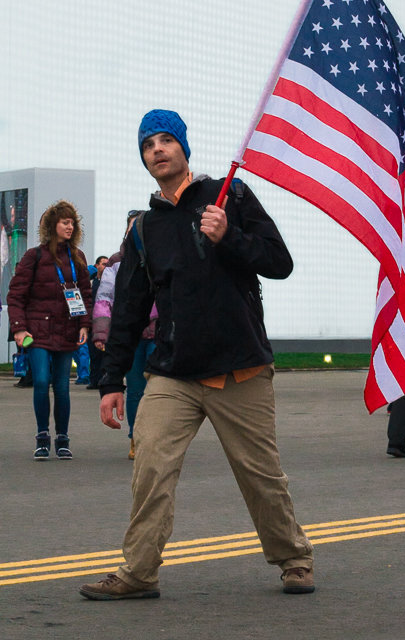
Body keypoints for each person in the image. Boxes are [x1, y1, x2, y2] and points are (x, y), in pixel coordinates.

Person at [79, 109, 314, 601]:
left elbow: (280, 262)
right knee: (150, 468)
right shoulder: (144, 228)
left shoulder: (232, 196)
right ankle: (139, 574)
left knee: (261, 475)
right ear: (144, 158)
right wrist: (112, 381)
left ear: (185, 148)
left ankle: (293, 559)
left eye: (167, 140)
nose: (158, 149)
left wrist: (229, 236)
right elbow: (128, 309)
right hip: (173, 372)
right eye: (148, 144)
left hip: (239, 368)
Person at [7, 200, 93, 460]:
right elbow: (16, 295)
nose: (70, 226)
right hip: (38, 332)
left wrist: (84, 325)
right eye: (65, 222)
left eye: (72, 222)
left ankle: (63, 438)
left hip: (67, 330)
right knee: (42, 381)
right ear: (52, 225)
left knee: (62, 387)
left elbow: (85, 295)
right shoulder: (34, 256)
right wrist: (19, 329)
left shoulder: (77, 257)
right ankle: (43, 435)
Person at [92, 213, 156, 460]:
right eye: (133, 227)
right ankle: (135, 438)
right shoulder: (117, 263)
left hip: (158, 332)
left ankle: (157, 437)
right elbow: (104, 300)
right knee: (137, 389)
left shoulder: (159, 255)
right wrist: (102, 331)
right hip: (131, 335)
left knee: (161, 387)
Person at [86, 255, 109, 389]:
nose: (106, 267)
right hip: (92, 323)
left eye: (107, 264)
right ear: (97, 266)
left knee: (105, 353)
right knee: (93, 354)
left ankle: (105, 379)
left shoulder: (110, 283)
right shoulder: (90, 283)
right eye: (103, 264)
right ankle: (94, 380)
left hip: (105, 323)